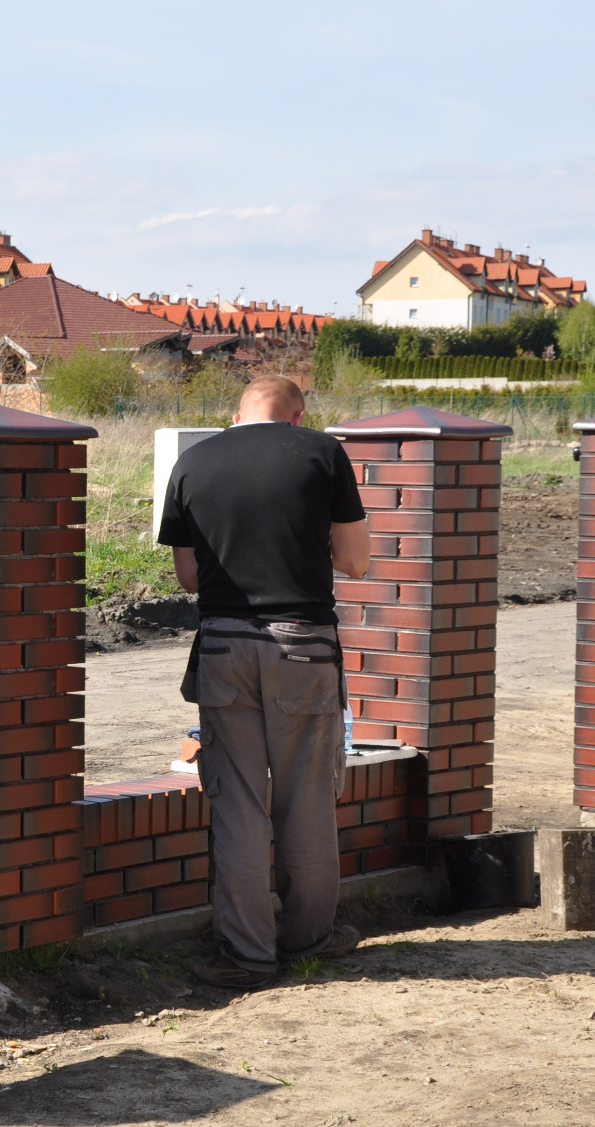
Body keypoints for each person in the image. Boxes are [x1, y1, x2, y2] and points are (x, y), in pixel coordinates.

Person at [156, 375, 371, 989]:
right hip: (304, 646)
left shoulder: (193, 462)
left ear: (237, 413)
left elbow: (190, 578)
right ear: (298, 415)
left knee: (238, 802)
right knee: (307, 796)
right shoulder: (322, 452)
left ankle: (246, 955)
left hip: (223, 647)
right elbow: (356, 561)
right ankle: (310, 939)